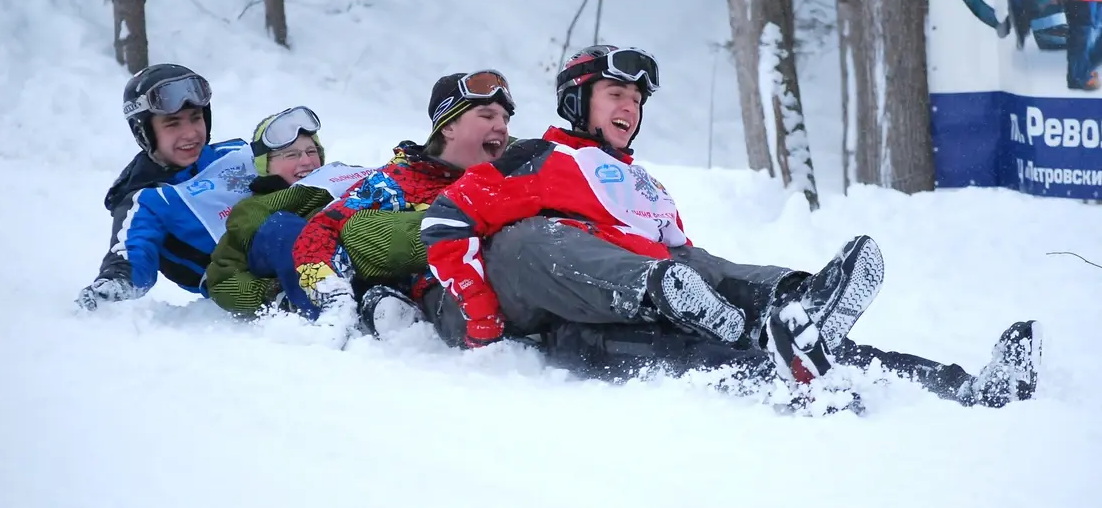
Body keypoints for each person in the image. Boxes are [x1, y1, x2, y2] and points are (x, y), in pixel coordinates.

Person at [419, 45, 1042, 408]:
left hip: (646, 302)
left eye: (636, 100)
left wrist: (716, 287)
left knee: (715, 279)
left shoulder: (645, 186)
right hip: (557, 311)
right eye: (615, 94)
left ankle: (935, 375)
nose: (629, 107)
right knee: (530, 237)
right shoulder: (539, 156)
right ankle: (683, 300)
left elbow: (693, 260)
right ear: (579, 100)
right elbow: (448, 219)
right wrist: (480, 320)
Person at [289, 70, 515, 337]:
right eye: (487, 116)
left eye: (505, 118)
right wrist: (335, 298)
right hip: (450, 300)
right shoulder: (396, 182)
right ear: (448, 126)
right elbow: (322, 229)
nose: (501, 126)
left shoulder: (516, 169)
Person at [77, 64, 257, 311]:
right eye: (173, 124)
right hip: (257, 282)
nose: (190, 133)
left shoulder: (235, 154)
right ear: (145, 132)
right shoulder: (148, 199)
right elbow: (132, 252)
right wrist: (115, 282)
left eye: (196, 118)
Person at [204, 106, 382, 318]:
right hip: (296, 260)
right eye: (292, 155)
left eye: (311, 152)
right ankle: (328, 304)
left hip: (357, 262)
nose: (306, 161)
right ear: (266, 165)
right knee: (283, 227)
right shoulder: (253, 210)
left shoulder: (342, 180)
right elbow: (222, 279)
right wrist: (273, 293)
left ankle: (387, 301)